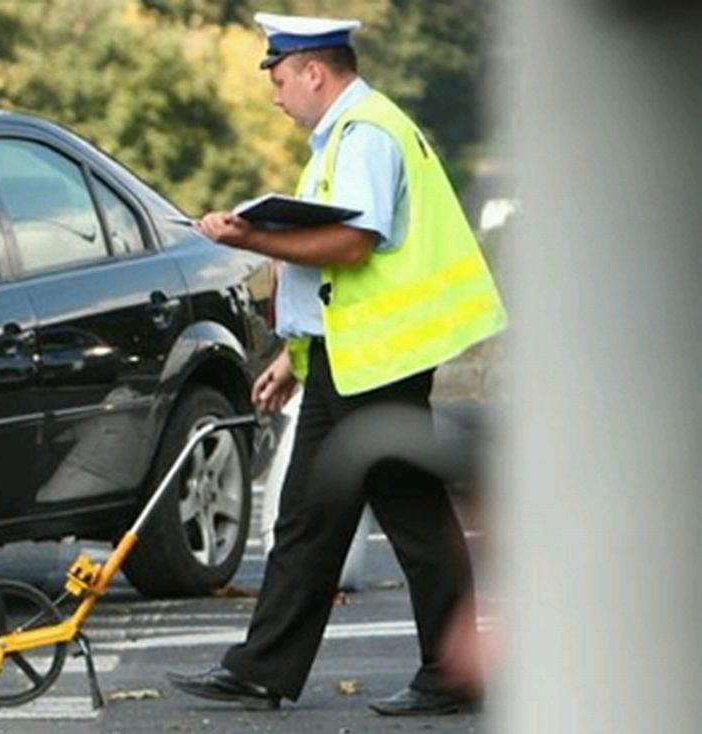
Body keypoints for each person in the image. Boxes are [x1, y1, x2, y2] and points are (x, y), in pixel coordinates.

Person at [166, 11, 506, 716]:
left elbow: (351, 246)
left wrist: (253, 234)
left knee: (408, 515)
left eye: (281, 78)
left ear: (314, 71)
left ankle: (452, 675)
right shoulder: (344, 137)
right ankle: (263, 669)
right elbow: (331, 283)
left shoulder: (365, 135)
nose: (276, 95)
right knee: (309, 516)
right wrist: (295, 361)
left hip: (379, 359)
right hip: (347, 359)